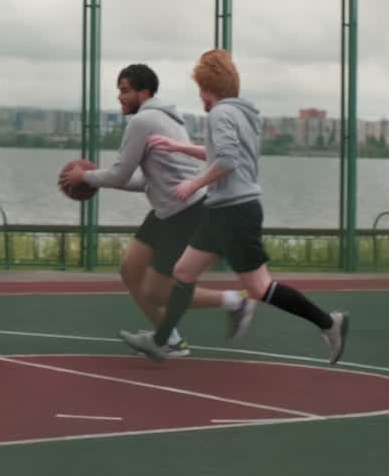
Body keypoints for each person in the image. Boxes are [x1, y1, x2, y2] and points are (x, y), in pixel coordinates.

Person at [120, 49, 350, 364]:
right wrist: (179, 147)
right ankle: (163, 341)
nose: (200, 95)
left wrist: (193, 184)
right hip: (222, 210)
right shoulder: (243, 114)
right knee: (184, 272)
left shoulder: (219, 114)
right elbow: (221, 152)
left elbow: (225, 161)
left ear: (208, 88)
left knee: (259, 287)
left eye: (200, 88)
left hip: (236, 212)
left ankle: (329, 323)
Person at [59, 64, 257, 357]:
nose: (120, 97)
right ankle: (171, 341)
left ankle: (234, 301)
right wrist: (95, 178)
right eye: (119, 91)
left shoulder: (143, 121)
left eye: (125, 91)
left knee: (156, 291)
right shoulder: (166, 119)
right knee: (129, 270)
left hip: (188, 211)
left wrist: (84, 177)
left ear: (144, 92)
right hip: (167, 209)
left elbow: (118, 175)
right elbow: (147, 182)